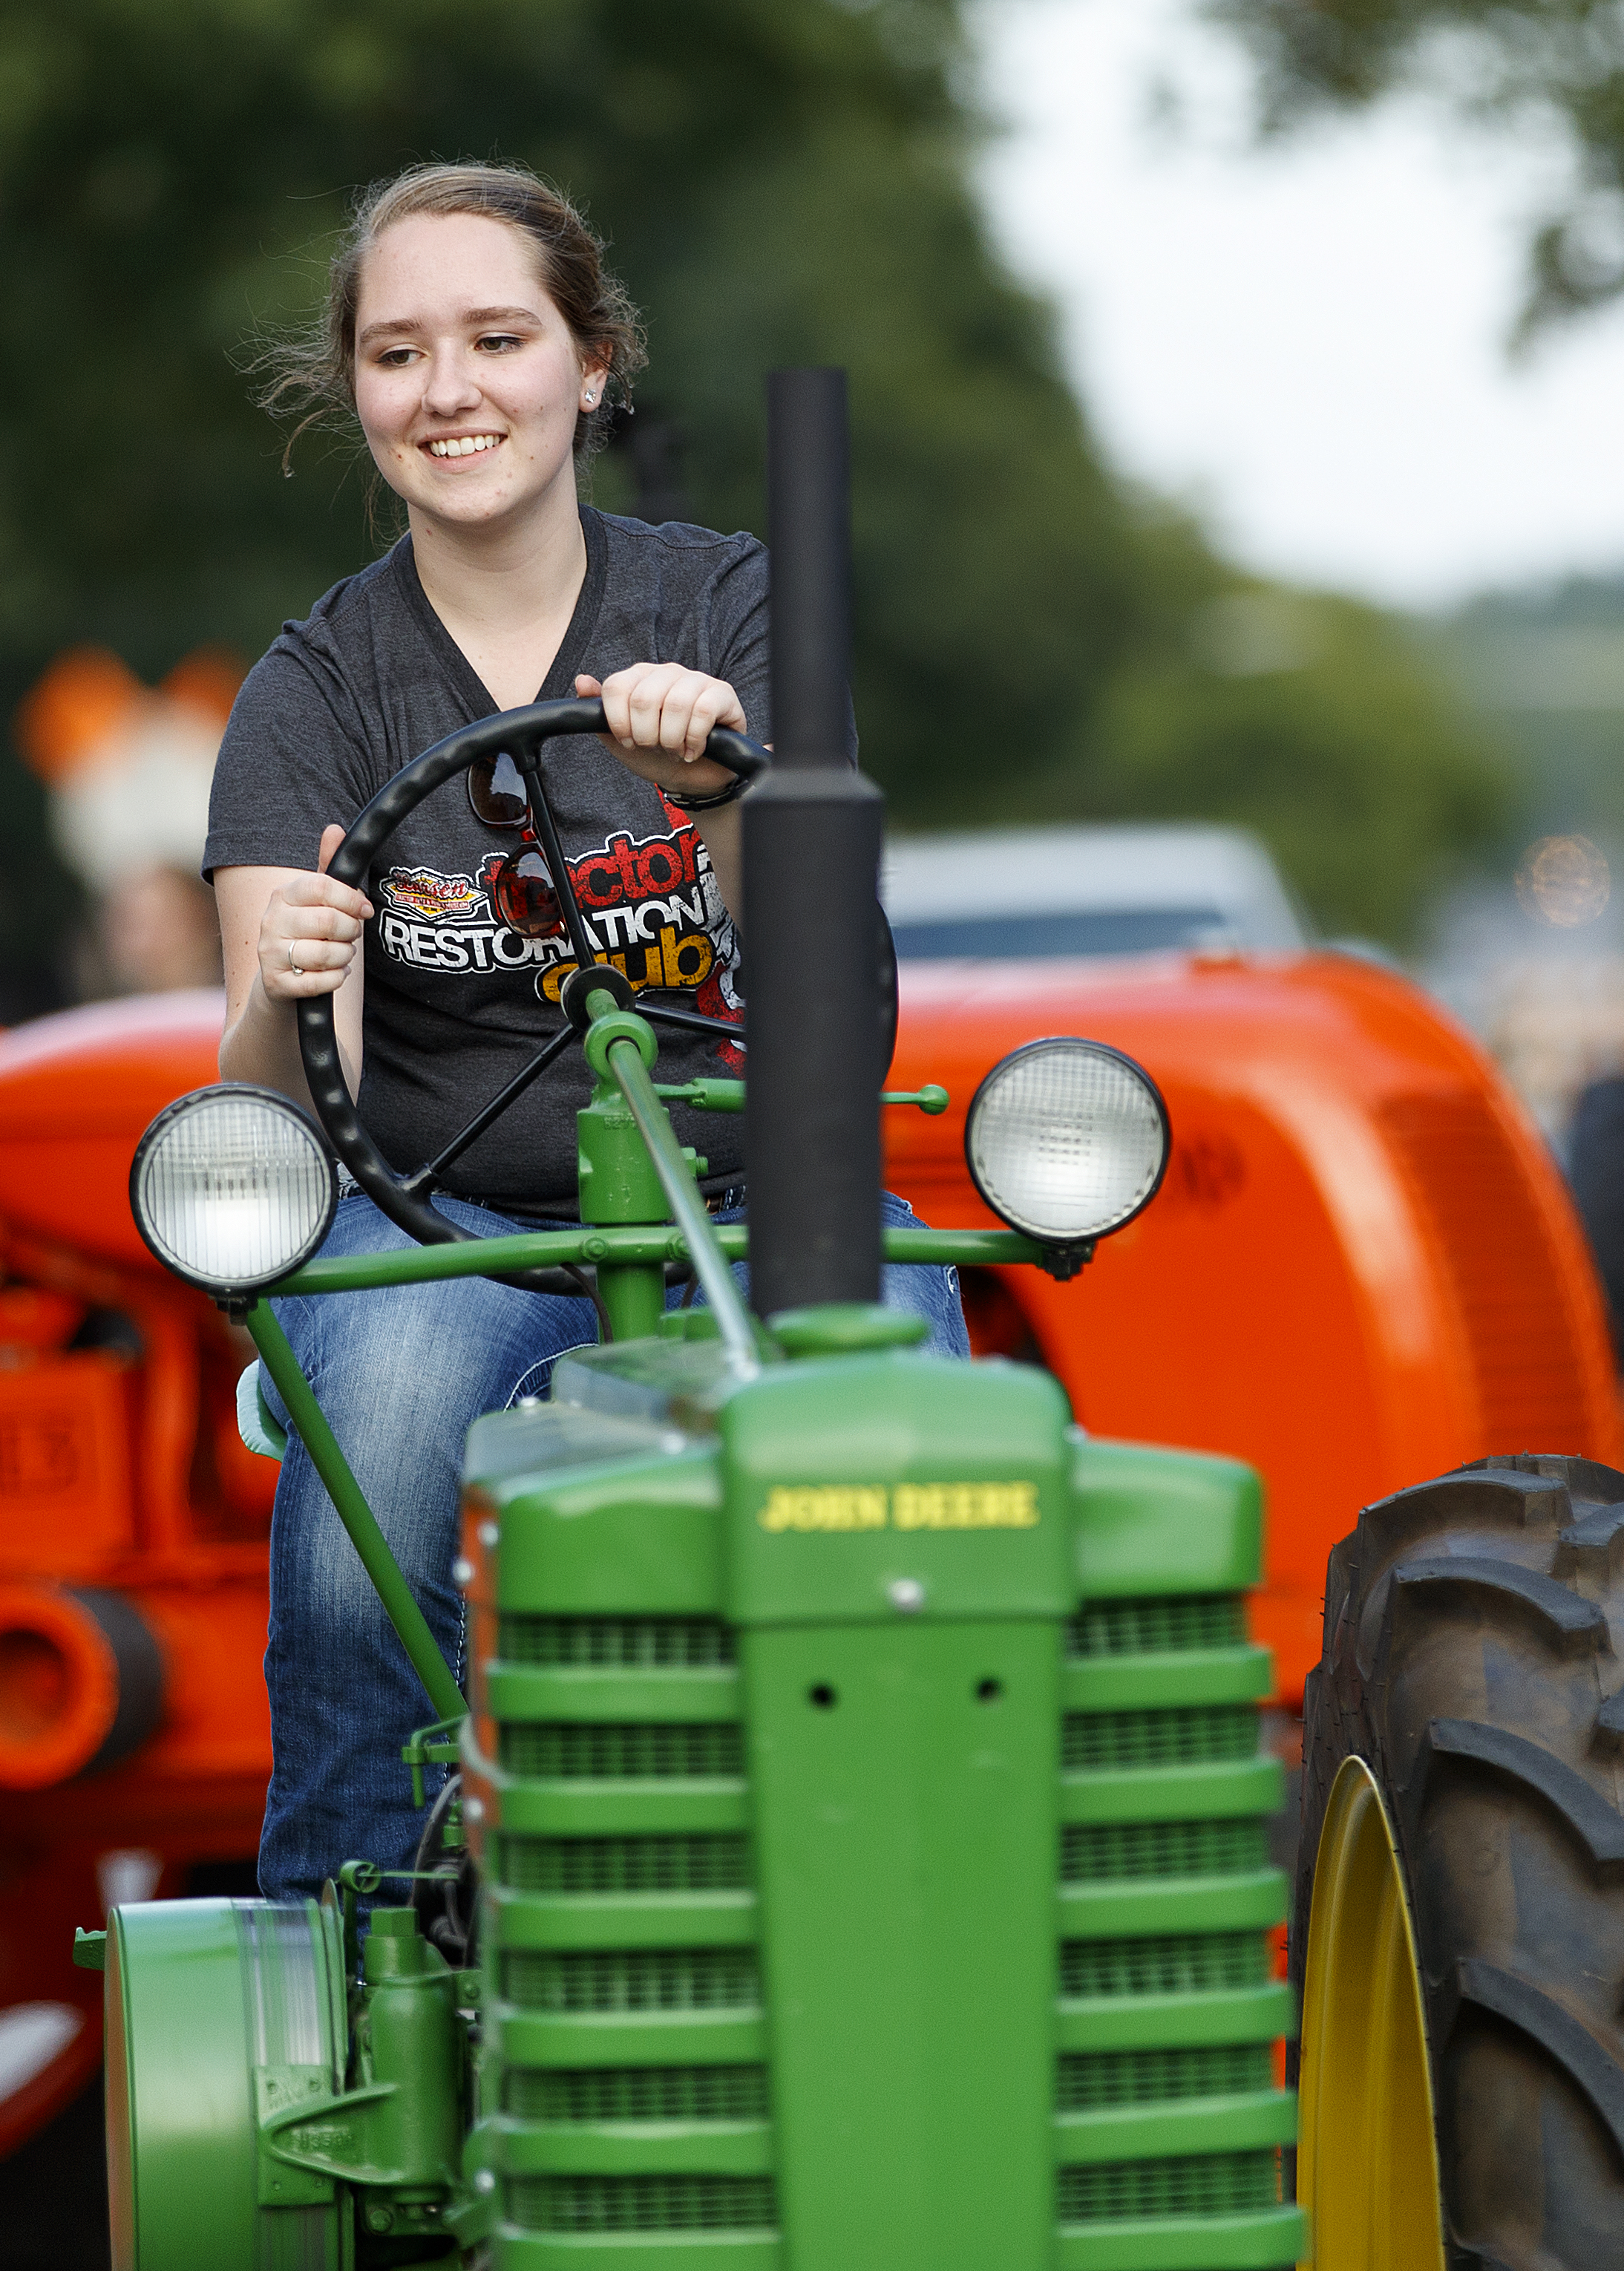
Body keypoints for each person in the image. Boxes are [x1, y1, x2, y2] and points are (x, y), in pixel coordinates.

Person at [203, 161, 968, 1896]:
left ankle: (930, 1866)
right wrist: (282, 981)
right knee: (382, 1434)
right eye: (399, 354)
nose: (449, 389)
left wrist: (711, 800)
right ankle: (360, 1932)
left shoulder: (726, 611)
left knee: (907, 1418)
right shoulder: (313, 695)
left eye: (496, 338)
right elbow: (254, 1119)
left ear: (592, 363)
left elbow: (833, 994)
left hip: (753, 1196)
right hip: (440, 1224)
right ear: (357, 395)